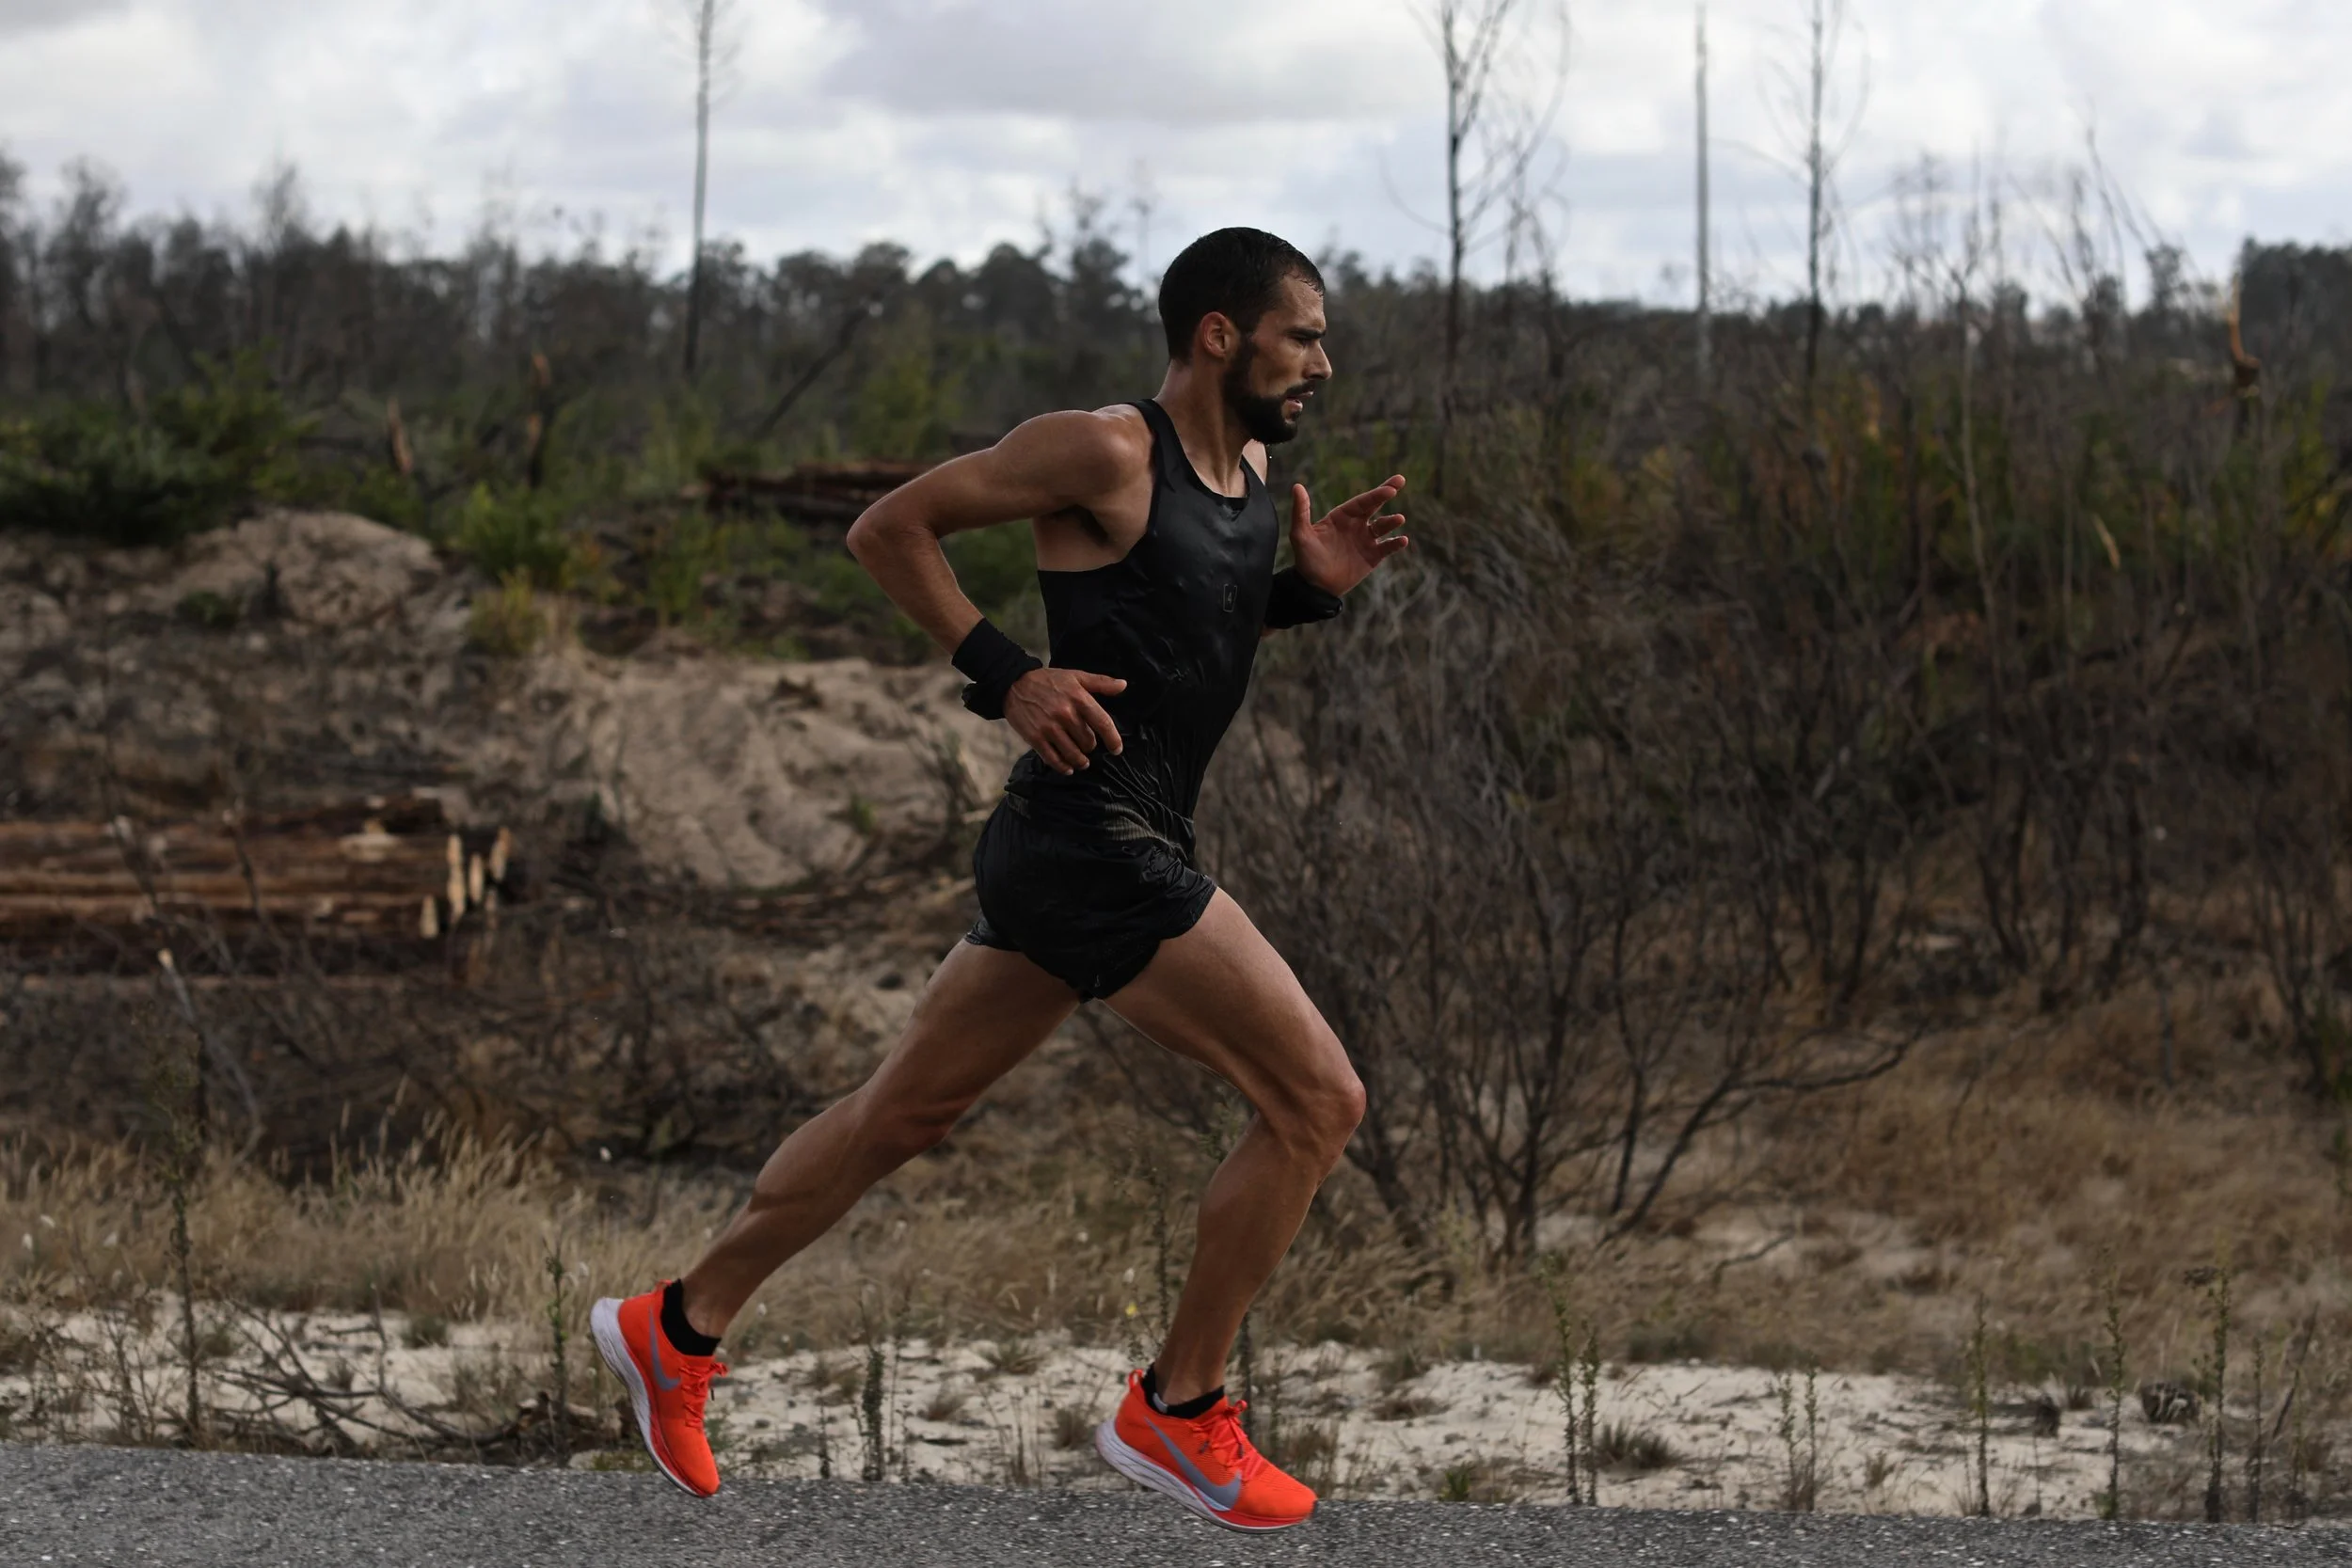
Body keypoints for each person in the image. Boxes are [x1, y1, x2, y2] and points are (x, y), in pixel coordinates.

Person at [592, 227, 1408, 1531]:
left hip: (1095, 835)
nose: (1323, 361)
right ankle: (1180, 1409)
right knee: (1319, 1101)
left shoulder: (1249, 470)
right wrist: (1005, 671)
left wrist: (1302, 594)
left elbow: (1184, 623)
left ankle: (674, 1327)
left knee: (896, 1118)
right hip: (1094, 839)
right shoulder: (1104, 448)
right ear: (1220, 332)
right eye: (1303, 333)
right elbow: (888, 527)